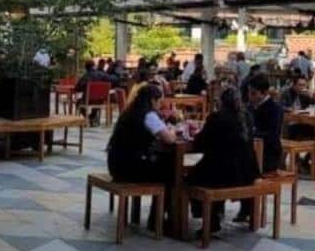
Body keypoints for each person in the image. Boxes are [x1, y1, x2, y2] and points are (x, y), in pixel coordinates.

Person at [187, 87, 261, 231]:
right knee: (212, 170)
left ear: (221, 101)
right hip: (247, 172)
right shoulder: (246, 117)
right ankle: (220, 212)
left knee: (189, 179)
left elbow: (200, 144)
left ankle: (210, 218)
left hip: (224, 173)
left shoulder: (216, 117)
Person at [107, 83, 176, 230]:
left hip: (116, 165)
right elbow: (169, 139)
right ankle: (158, 220)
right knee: (171, 172)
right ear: (152, 100)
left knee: (165, 166)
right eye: (159, 101)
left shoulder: (129, 111)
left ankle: (156, 217)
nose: (160, 104)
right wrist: (172, 131)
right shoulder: (148, 115)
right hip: (130, 168)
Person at [247, 74, 283, 173]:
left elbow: (272, 135)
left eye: (253, 93)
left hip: (268, 154)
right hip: (252, 150)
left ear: (264, 93)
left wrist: (251, 132)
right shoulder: (250, 106)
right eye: (249, 92)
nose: (249, 96)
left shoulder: (274, 109)